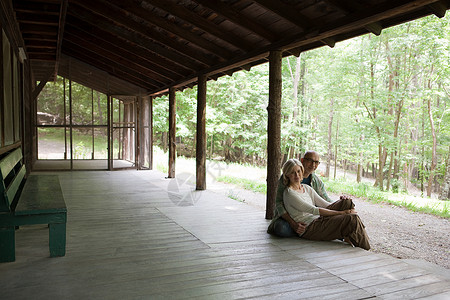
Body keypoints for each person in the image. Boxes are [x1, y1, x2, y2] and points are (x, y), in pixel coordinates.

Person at [280, 158, 370, 250]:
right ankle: (366, 250)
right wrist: (344, 213)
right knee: (352, 219)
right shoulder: (289, 193)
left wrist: (341, 202)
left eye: (298, 171)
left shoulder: (306, 188)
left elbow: (326, 205)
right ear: (287, 175)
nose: (297, 175)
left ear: (302, 171)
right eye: (292, 172)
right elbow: (314, 210)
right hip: (309, 228)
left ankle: (349, 237)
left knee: (347, 202)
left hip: (319, 220)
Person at [267, 150, 331, 237]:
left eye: (316, 162)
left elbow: (325, 199)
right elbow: (279, 203)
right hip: (288, 217)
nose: (313, 165)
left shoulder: (316, 181)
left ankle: (304, 230)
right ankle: (302, 230)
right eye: (310, 161)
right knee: (281, 228)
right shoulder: (286, 178)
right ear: (302, 161)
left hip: (309, 216)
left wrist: (340, 203)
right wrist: (293, 223)